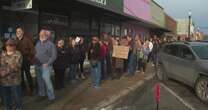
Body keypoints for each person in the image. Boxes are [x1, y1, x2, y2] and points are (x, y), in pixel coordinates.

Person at [0, 39, 23, 110]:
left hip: (14, 81)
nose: (9, 46)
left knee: (16, 97)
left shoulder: (18, 54)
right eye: (7, 45)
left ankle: (19, 108)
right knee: (6, 97)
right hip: (4, 82)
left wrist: (3, 73)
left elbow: (15, 67)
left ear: (14, 46)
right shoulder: (2, 54)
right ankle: (8, 108)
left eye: (11, 45)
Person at [35, 29, 57, 102]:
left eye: (43, 34)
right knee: (40, 81)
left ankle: (51, 97)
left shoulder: (51, 44)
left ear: (46, 35)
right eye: (40, 34)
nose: (41, 35)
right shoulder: (37, 43)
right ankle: (42, 94)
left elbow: (54, 56)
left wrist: (47, 63)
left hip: (46, 66)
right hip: (37, 65)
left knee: (47, 82)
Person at [15, 27, 35, 95]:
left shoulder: (27, 40)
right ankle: (23, 89)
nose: (18, 32)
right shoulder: (15, 40)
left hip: (25, 59)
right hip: (18, 60)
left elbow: (32, 50)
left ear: (23, 32)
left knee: (28, 75)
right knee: (20, 76)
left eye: (19, 31)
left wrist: (29, 58)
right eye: (17, 31)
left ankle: (31, 89)